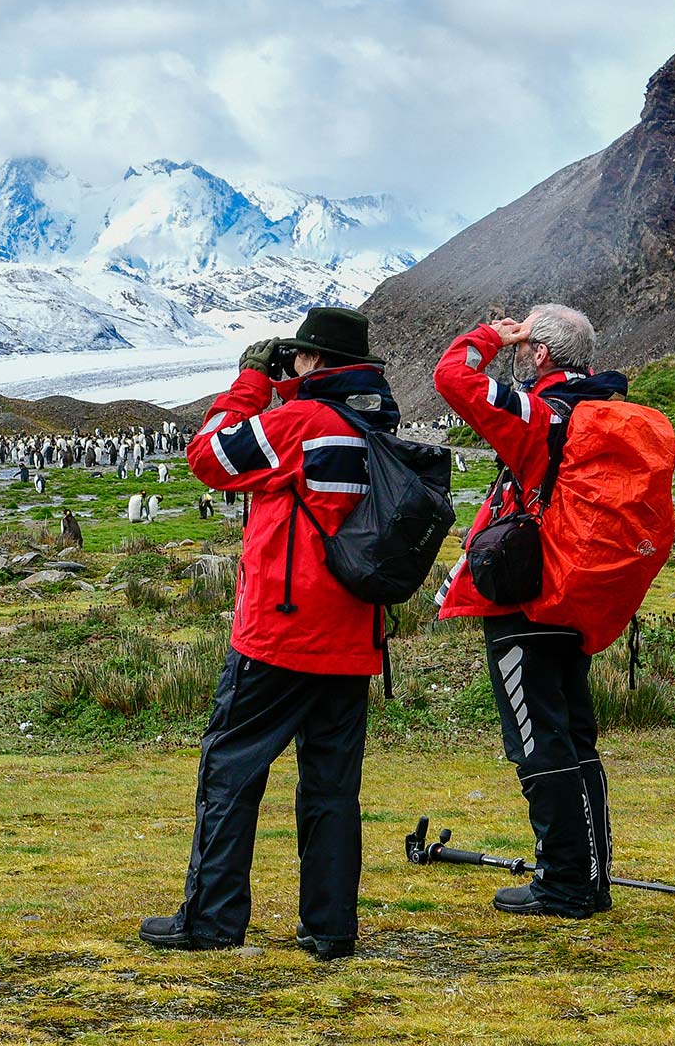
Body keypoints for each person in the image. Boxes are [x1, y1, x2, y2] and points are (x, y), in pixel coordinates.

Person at [141, 307, 396, 962]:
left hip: (281, 637)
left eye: (300, 358)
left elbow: (211, 457)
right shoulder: (373, 424)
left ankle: (212, 920)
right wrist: (289, 388)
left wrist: (253, 381)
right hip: (350, 637)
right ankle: (331, 927)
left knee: (230, 772)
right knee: (331, 787)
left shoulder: (301, 422)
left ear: (313, 362)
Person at [432, 304, 626, 919]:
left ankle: (564, 880)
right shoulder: (599, 410)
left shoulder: (541, 414)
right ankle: (590, 875)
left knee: (537, 739)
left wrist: (491, 336)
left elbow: (453, 378)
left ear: (539, 353)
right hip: (576, 594)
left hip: (527, 595)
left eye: (525, 343)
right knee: (574, 735)